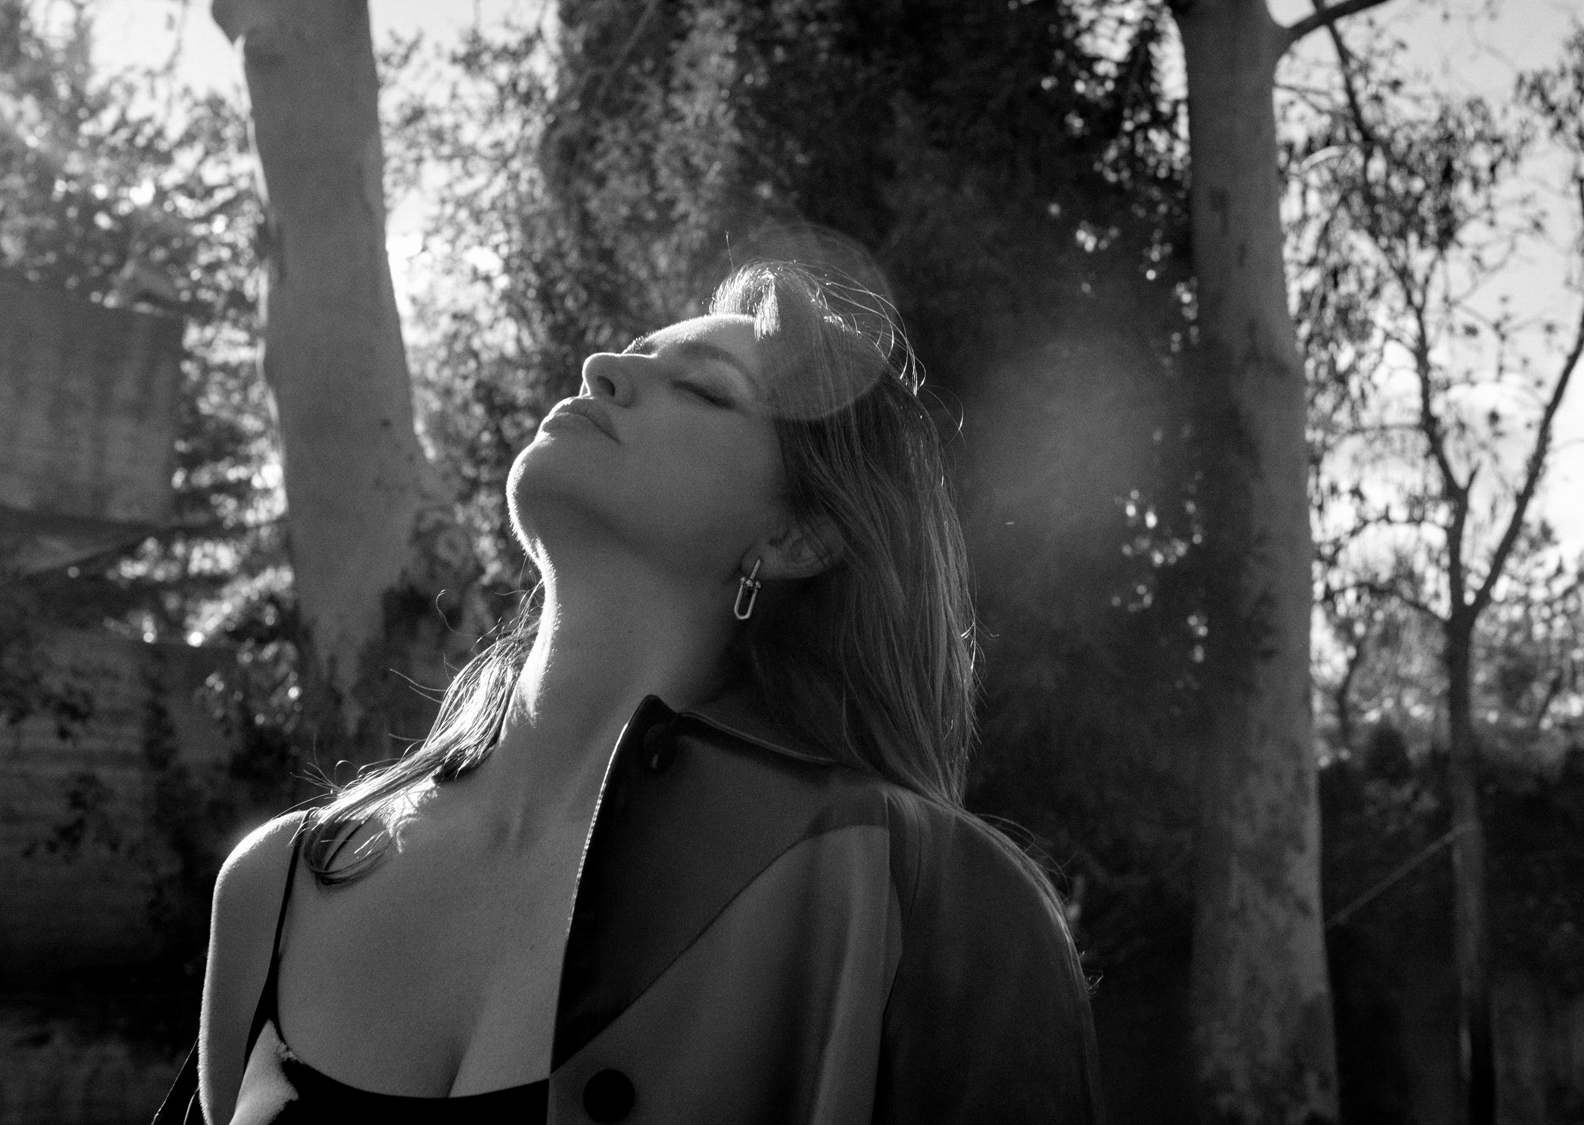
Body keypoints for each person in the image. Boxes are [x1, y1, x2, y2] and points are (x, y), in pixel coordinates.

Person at [156, 261, 1105, 1125]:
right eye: (633, 351)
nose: (602, 366)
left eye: (703, 388)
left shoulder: (928, 905)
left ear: (797, 538)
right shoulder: (274, 884)